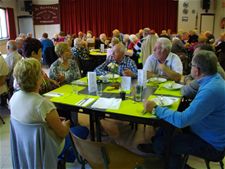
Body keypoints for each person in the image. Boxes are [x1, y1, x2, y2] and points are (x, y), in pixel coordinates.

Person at [139, 50, 225, 169]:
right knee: (167, 126)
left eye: (191, 65)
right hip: (206, 130)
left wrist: (156, 108)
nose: (190, 68)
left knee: (167, 143)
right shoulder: (214, 80)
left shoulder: (211, 90)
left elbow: (182, 121)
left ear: (197, 70)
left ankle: (172, 161)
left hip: (211, 144)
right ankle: (158, 148)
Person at [10, 58, 89, 163]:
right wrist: (66, 124)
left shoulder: (14, 98)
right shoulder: (42, 104)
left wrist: (53, 121)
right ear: (38, 77)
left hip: (25, 144)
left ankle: (68, 156)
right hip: (47, 147)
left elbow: (33, 120)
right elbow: (62, 133)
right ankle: (70, 156)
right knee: (83, 130)